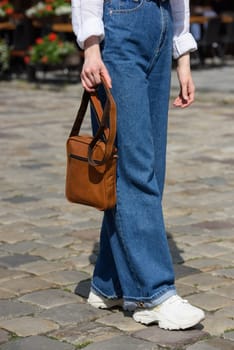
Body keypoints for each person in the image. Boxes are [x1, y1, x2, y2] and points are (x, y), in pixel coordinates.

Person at [71, 0, 205, 330]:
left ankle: (109, 283)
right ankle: (154, 292)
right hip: (119, 25)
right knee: (135, 165)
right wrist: (91, 46)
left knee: (151, 169)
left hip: (159, 27)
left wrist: (182, 54)